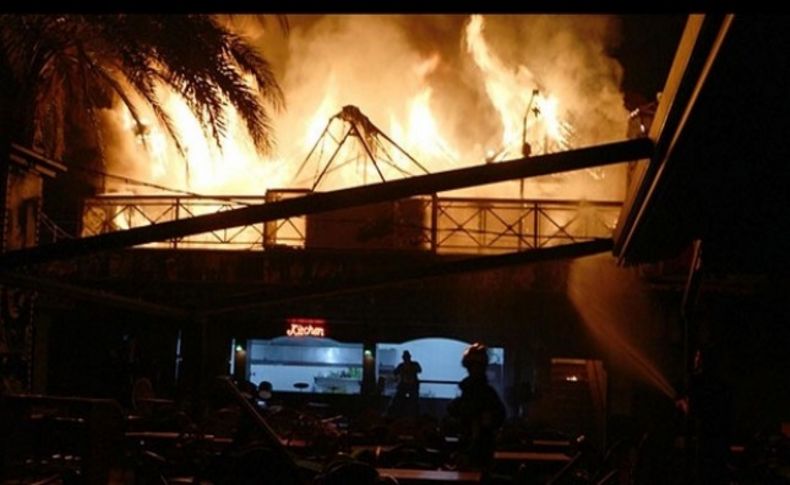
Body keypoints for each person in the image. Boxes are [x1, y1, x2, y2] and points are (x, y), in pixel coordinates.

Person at [447, 342, 506, 473]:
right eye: (473, 365)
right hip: (475, 447)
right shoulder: (479, 392)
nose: (475, 369)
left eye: (478, 365)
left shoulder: (479, 392)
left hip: (478, 448)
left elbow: (495, 418)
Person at [388, 350, 422, 418]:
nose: (406, 359)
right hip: (404, 387)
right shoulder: (402, 365)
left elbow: (419, 370)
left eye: (407, 357)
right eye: (405, 358)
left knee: (414, 402)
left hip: (411, 388)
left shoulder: (413, 365)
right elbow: (395, 372)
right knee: (398, 401)